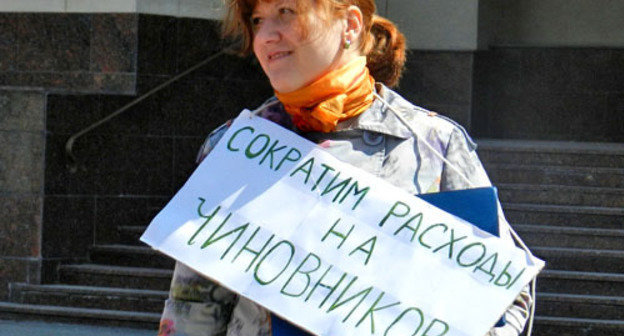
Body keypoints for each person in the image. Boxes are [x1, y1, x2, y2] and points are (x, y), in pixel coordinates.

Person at [158, 0, 533, 335]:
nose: (266, 36)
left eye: (286, 12)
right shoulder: (234, 148)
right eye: (257, 19)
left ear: (350, 24)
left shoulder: (433, 143)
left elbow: (506, 292)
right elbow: (194, 306)